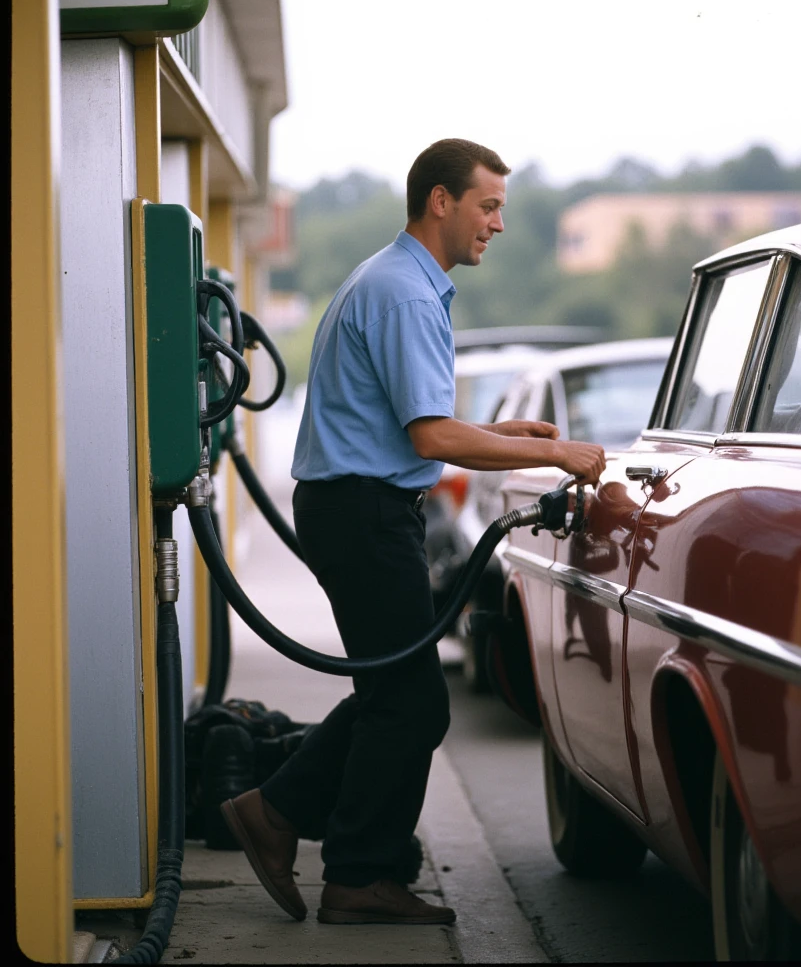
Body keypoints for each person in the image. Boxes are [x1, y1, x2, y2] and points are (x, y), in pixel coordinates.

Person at [220, 139, 606, 926]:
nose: (497, 223)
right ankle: (356, 873)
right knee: (413, 704)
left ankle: (281, 812)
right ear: (441, 201)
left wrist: (522, 440)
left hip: (358, 507)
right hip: (362, 513)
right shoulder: (405, 294)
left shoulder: (399, 281)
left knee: (396, 693)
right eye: (487, 205)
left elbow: (412, 424)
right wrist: (561, 452)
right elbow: (429, 439)